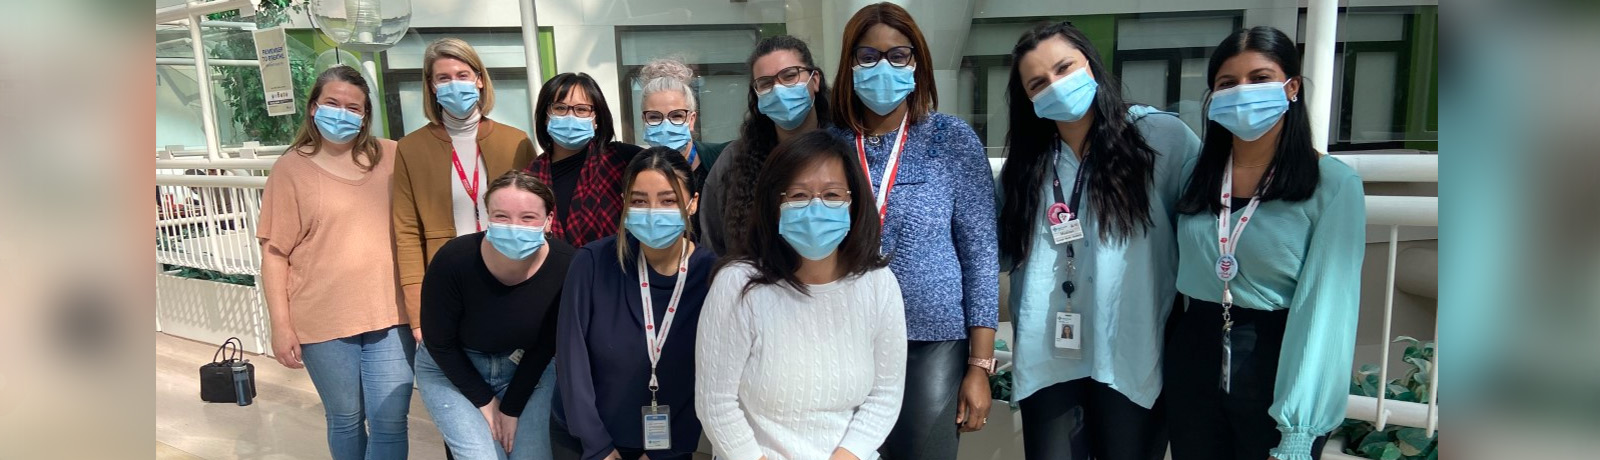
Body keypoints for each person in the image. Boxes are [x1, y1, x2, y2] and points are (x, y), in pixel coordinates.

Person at [994, 22, 1202, 460]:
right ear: (1028, 98)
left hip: (1131, 352)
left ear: (1091, 64)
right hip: (1048, 356)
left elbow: (1209, 219)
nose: (1056, 85)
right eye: (1038, 82)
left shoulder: (1160, 139)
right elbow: (995, 249)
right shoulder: (1026, 165)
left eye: (1065, 67)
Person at [1166, 26, 1366, 460]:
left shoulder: (1332, 186)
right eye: (1227, 83)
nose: (1243, 92)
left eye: (1259, 78)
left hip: (1276, 356)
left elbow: (1326, 310)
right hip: (1195, 355)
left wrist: (1301, 424)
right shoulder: (1195, 176)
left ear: (1291, 87)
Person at [828, 4, 998, 457]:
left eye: (898, 55)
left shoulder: (952, 139)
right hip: (844, 337)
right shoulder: (830, 145)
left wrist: (980, 366)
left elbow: (980, 252)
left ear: (917, 63)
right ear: (849, 65)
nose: (883, 66)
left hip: (932, 340)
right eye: (867, 56)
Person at [696, 130, 906, 460]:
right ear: (774, 205)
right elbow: (716, 404)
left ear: (854, 203)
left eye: (832, 195)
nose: (816, 208)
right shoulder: (737, 286)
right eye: (798, 195)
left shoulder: (879, 285)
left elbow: (885, 397)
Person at [258, 66, 412, 460]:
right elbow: (275, 255)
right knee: (345, 418)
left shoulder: (392, 156)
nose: (342, 113)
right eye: (332, 103)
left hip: (391, 316)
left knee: (391, 421)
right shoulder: (291, 169)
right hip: (323, 322)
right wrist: (281, 326)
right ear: (313, 108)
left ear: (365, 115)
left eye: (353, 107)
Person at [552, 147, 716, 460]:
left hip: (669, 444)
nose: (653, 211)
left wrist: (662, 453)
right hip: (587, 439)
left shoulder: (713, 277)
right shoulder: (591, 263)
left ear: (692, 203)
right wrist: (598, 446)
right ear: (625, 204)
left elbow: (711, 378)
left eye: (669, 200)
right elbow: (572, 361)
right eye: (639, 200)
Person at [415, 171, 575, 460]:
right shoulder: (454, 260)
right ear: (486, 216)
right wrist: (486, 403)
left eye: (528, 217)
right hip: (451, 366)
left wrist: (511, 408)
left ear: (549, 220)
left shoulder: (566, 265)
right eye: (501, 216)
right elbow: (440, 343)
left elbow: (545, 347)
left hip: (527, 366)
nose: (514, 227)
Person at [393, 37, 538, 345]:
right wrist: (418, 313)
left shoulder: (516, 142)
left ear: (480, 80)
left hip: (508, 277)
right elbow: (406, 233)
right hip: (447, 283)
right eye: (443, 78)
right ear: (431, 86)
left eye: (462, 75)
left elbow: (535, 218)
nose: (453, 84)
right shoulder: (410, 148)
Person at [700, 35, 833, 257]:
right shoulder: (734, 161)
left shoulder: (844, 150)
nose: (779, 90)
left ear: (815, 80)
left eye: (790, 76)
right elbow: (712, 245)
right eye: (766, 83)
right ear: (757, 95)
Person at [526, 72, 645, 249]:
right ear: (545, 116)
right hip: (556, 273)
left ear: (596, 119)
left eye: (581, 109)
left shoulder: (622, 160)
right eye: (560, 108)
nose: (570, 116)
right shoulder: (530, 177)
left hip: (617, 271)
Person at [636, 58, 726, 186]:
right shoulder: (636, 171)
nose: (666, 126)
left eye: (676, 116)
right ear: (644, 120)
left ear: (691, 119)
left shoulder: (721, 160)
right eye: (654, 117)